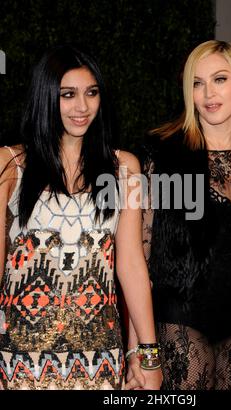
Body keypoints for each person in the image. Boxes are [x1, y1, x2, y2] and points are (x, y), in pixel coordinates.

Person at [127, 40, 231, 390]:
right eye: (197, 82)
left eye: (219, 79)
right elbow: (137, 265)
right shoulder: (163, 156)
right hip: (180, 322)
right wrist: (137, 352)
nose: (208, 92)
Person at [0, 45, 162, 390]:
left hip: (99, 360)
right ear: (46, 98)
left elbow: (131, 265)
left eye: (91, 93)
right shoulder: (10, 165)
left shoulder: (123, 169)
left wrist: (147, 355)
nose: (82, 107)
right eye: (68, 95)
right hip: (18, 357)